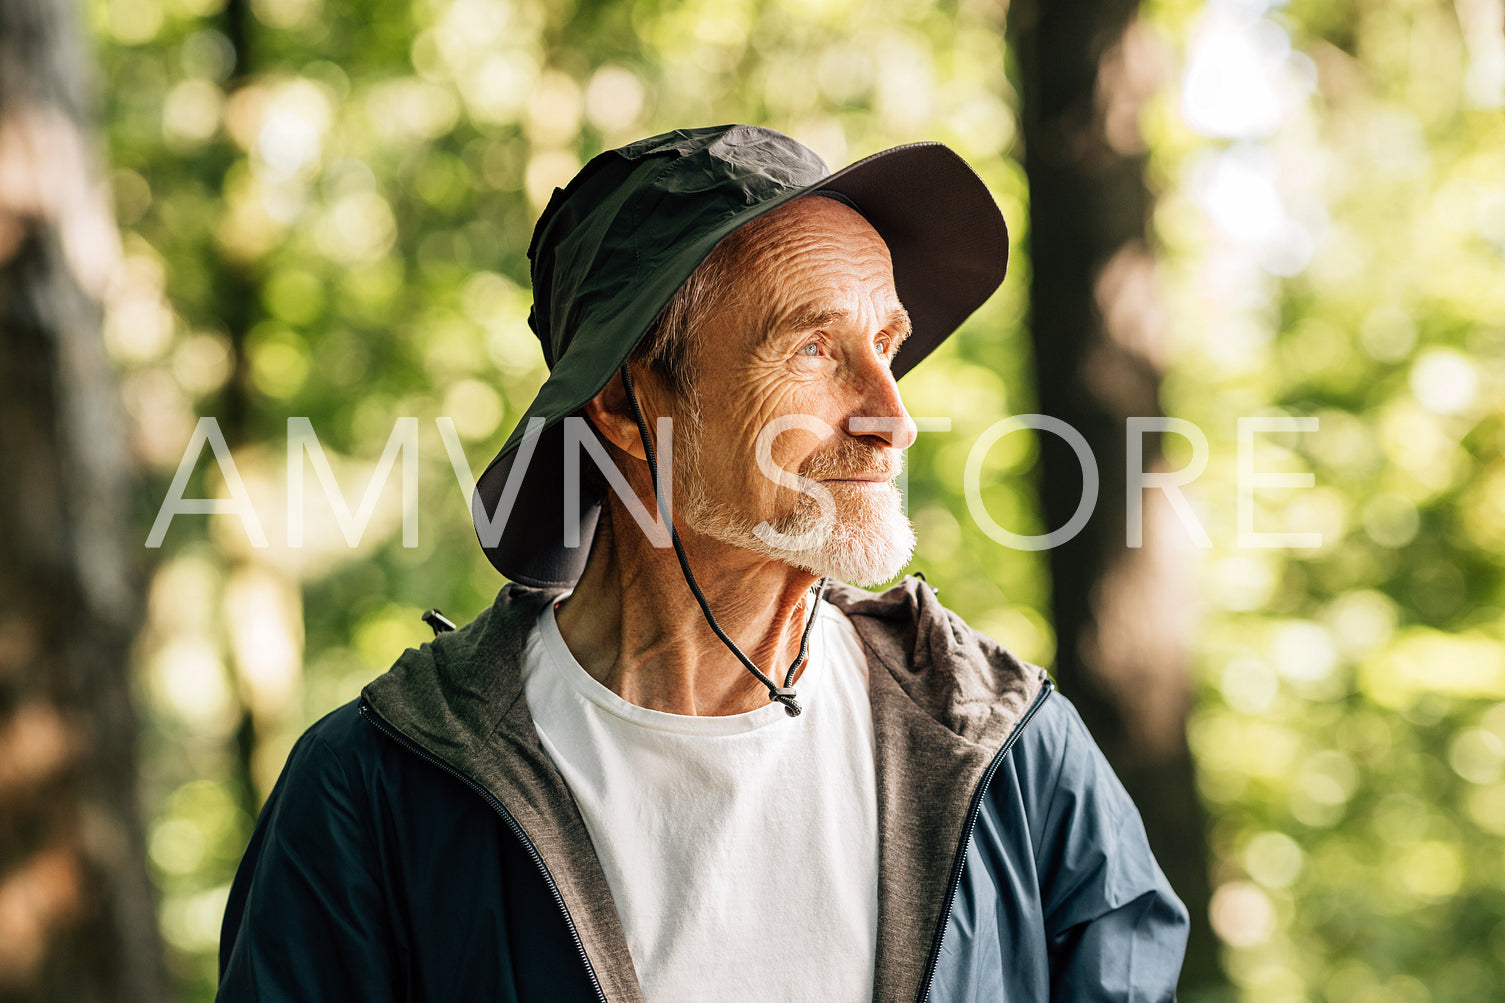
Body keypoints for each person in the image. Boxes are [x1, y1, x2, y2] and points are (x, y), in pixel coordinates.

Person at [218, 124, 1188, 1002]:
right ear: (623, 406)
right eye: (813, 347)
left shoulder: (1008, 747)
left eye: (885, 344)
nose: (892, 417)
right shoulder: (374, 794)